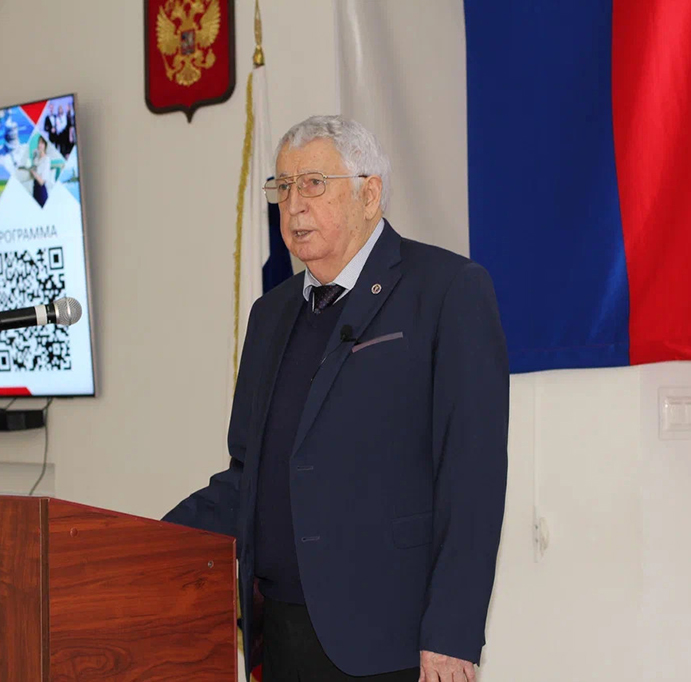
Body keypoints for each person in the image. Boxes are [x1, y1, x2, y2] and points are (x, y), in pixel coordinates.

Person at [164, 116, 508, 682]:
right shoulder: (270, 314)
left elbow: (472, 477)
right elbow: (248, 476)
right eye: (282, 187)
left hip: (393, 643)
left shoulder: (447, 290)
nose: (294, 205)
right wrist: (146, 540)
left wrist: (452, 633)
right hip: (281, 634)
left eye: (314, 184)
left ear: (369, 195)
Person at [29, 136, 51, 207]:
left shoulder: (46, 159)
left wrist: (33, 172)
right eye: (38, 143)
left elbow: (42, 182)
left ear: (45, 145)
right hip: (35, 188)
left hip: (41, 191)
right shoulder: (37, 158)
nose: (39, 145)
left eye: (42, 143)